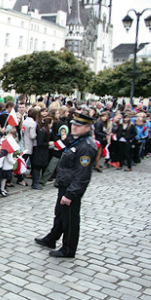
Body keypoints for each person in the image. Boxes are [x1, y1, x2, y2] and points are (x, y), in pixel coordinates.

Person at [35, 111, 97, 259]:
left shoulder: (86, 147)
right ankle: (51, 239)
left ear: (87, 128)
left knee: (70, 219)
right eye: (73, 124)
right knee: (60, 215)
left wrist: (70, 194)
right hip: (65, 183)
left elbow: (82, 175)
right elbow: (61, 146)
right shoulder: (75, 139)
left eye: (78, 125)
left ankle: (68, 249)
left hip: (71, 188)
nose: (74, 127)